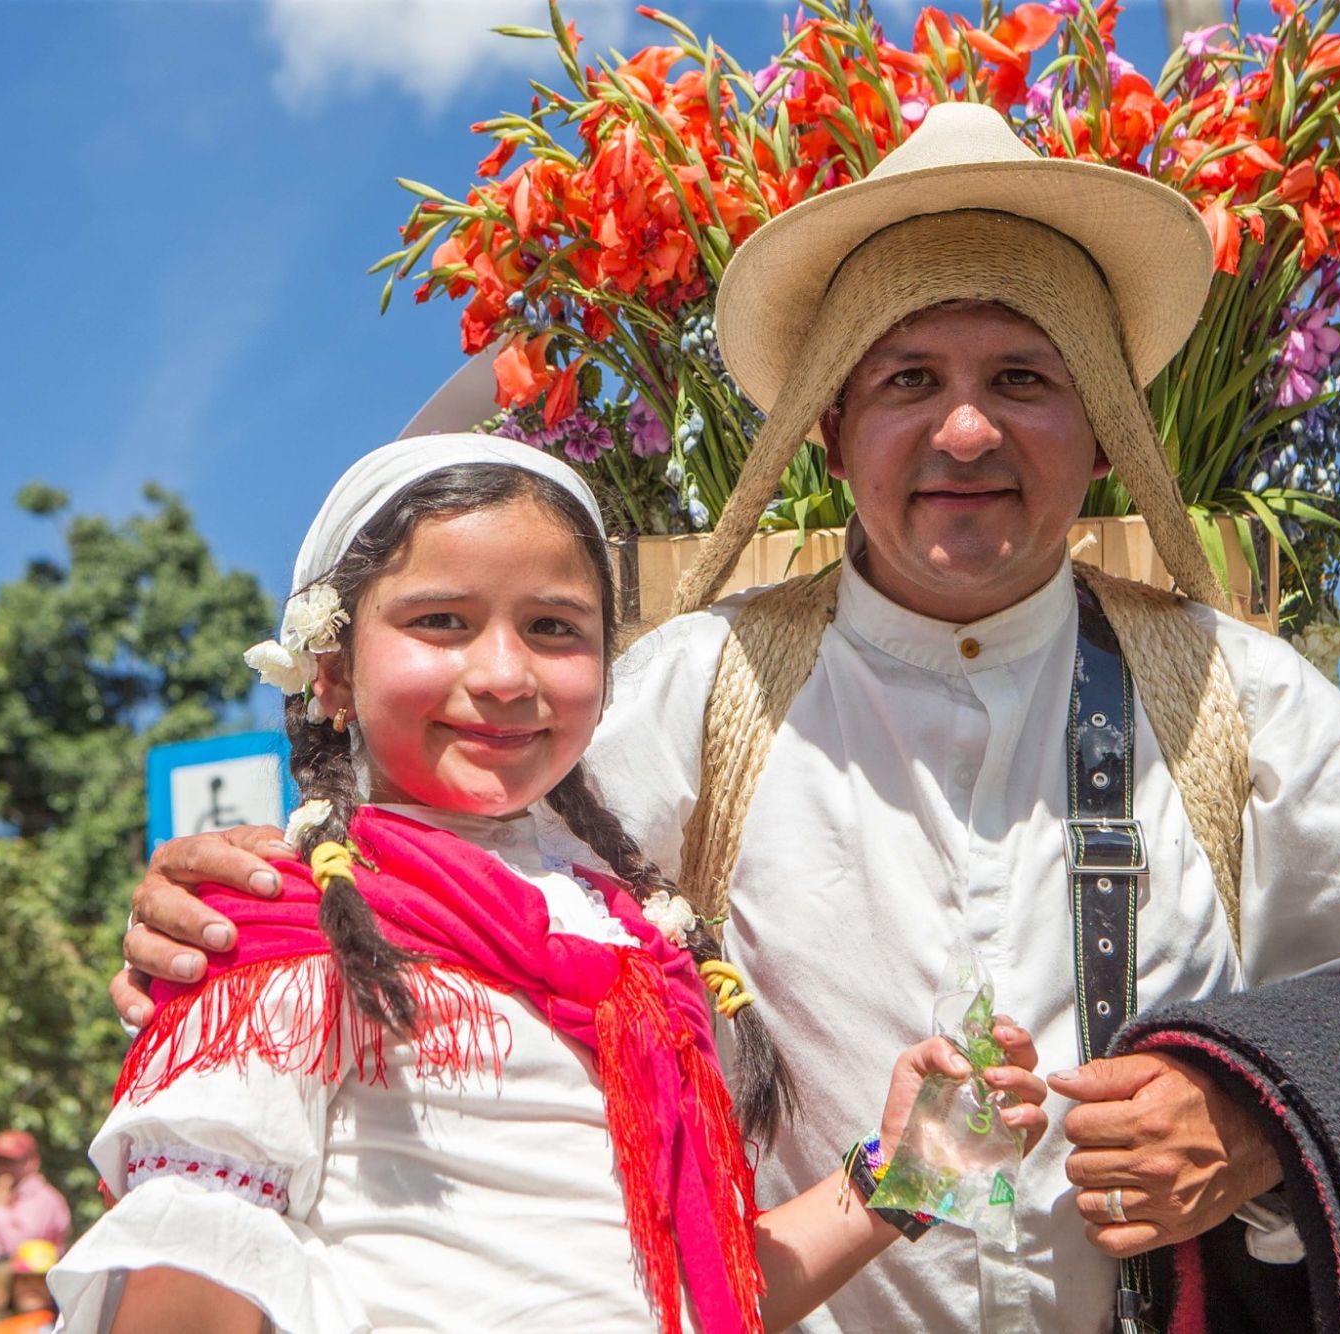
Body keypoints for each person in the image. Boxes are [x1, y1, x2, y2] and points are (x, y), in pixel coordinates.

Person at [117, 105, 1340, 1333]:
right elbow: (450, 886)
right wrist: (238, 908)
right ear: (832, 433)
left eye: (1021, 377)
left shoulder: (1245, 701)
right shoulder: (690, 691)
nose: (967, 431)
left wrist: (1259, 1116)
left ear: (1100, 427)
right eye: (909, 381)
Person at [51, 436, 1051, 1332]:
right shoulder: (279, 915)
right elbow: (199, 1245)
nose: (501, 672)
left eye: (554, 627)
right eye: (439, 619)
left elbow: (716, 1293)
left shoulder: (637, 940)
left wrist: (913, 1168)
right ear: (328, 671)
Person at [0, 1131, 71, 1274]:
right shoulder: (5, 1195)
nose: (3, 1168)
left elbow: (22, 1251)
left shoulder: (43, 1199)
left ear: (33, 1161)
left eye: (11, 1161)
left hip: (27, 1285)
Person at [0, 1241, 61, 1334]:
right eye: (25, 1279)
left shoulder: (69, 1326)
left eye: (41, 1280)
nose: (33, 1287)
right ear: (12, 1284)